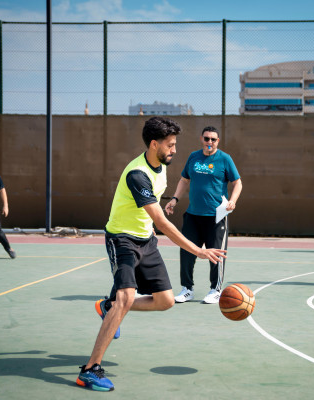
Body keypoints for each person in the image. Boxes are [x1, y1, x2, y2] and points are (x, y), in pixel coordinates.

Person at [76, 117, 226, 392]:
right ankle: (90, 369)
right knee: (125, 297)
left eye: (175, 144)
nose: (175, 150)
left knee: (166, 301)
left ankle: (108, 308)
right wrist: (197, 250)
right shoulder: (137, 174)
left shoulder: (161, 167)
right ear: (154, 144)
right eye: (170, 145)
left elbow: (152, 215)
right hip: (122, 239)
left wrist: (151, 232)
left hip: (146, 239)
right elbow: (162, 222)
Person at [165, 126, 242, 304]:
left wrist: (233, 200)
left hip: (217, 216)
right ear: (201, 139)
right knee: (186, 251)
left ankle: (215, 290)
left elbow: (237, 182)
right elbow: (184, 180)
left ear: (218, 141)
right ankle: (187, 289)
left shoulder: (224, 159)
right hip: (193, 215)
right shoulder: (193, 157)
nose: (209, 142)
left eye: (213, 139)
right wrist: (175, 199)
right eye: (206, 139)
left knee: (216, 254)